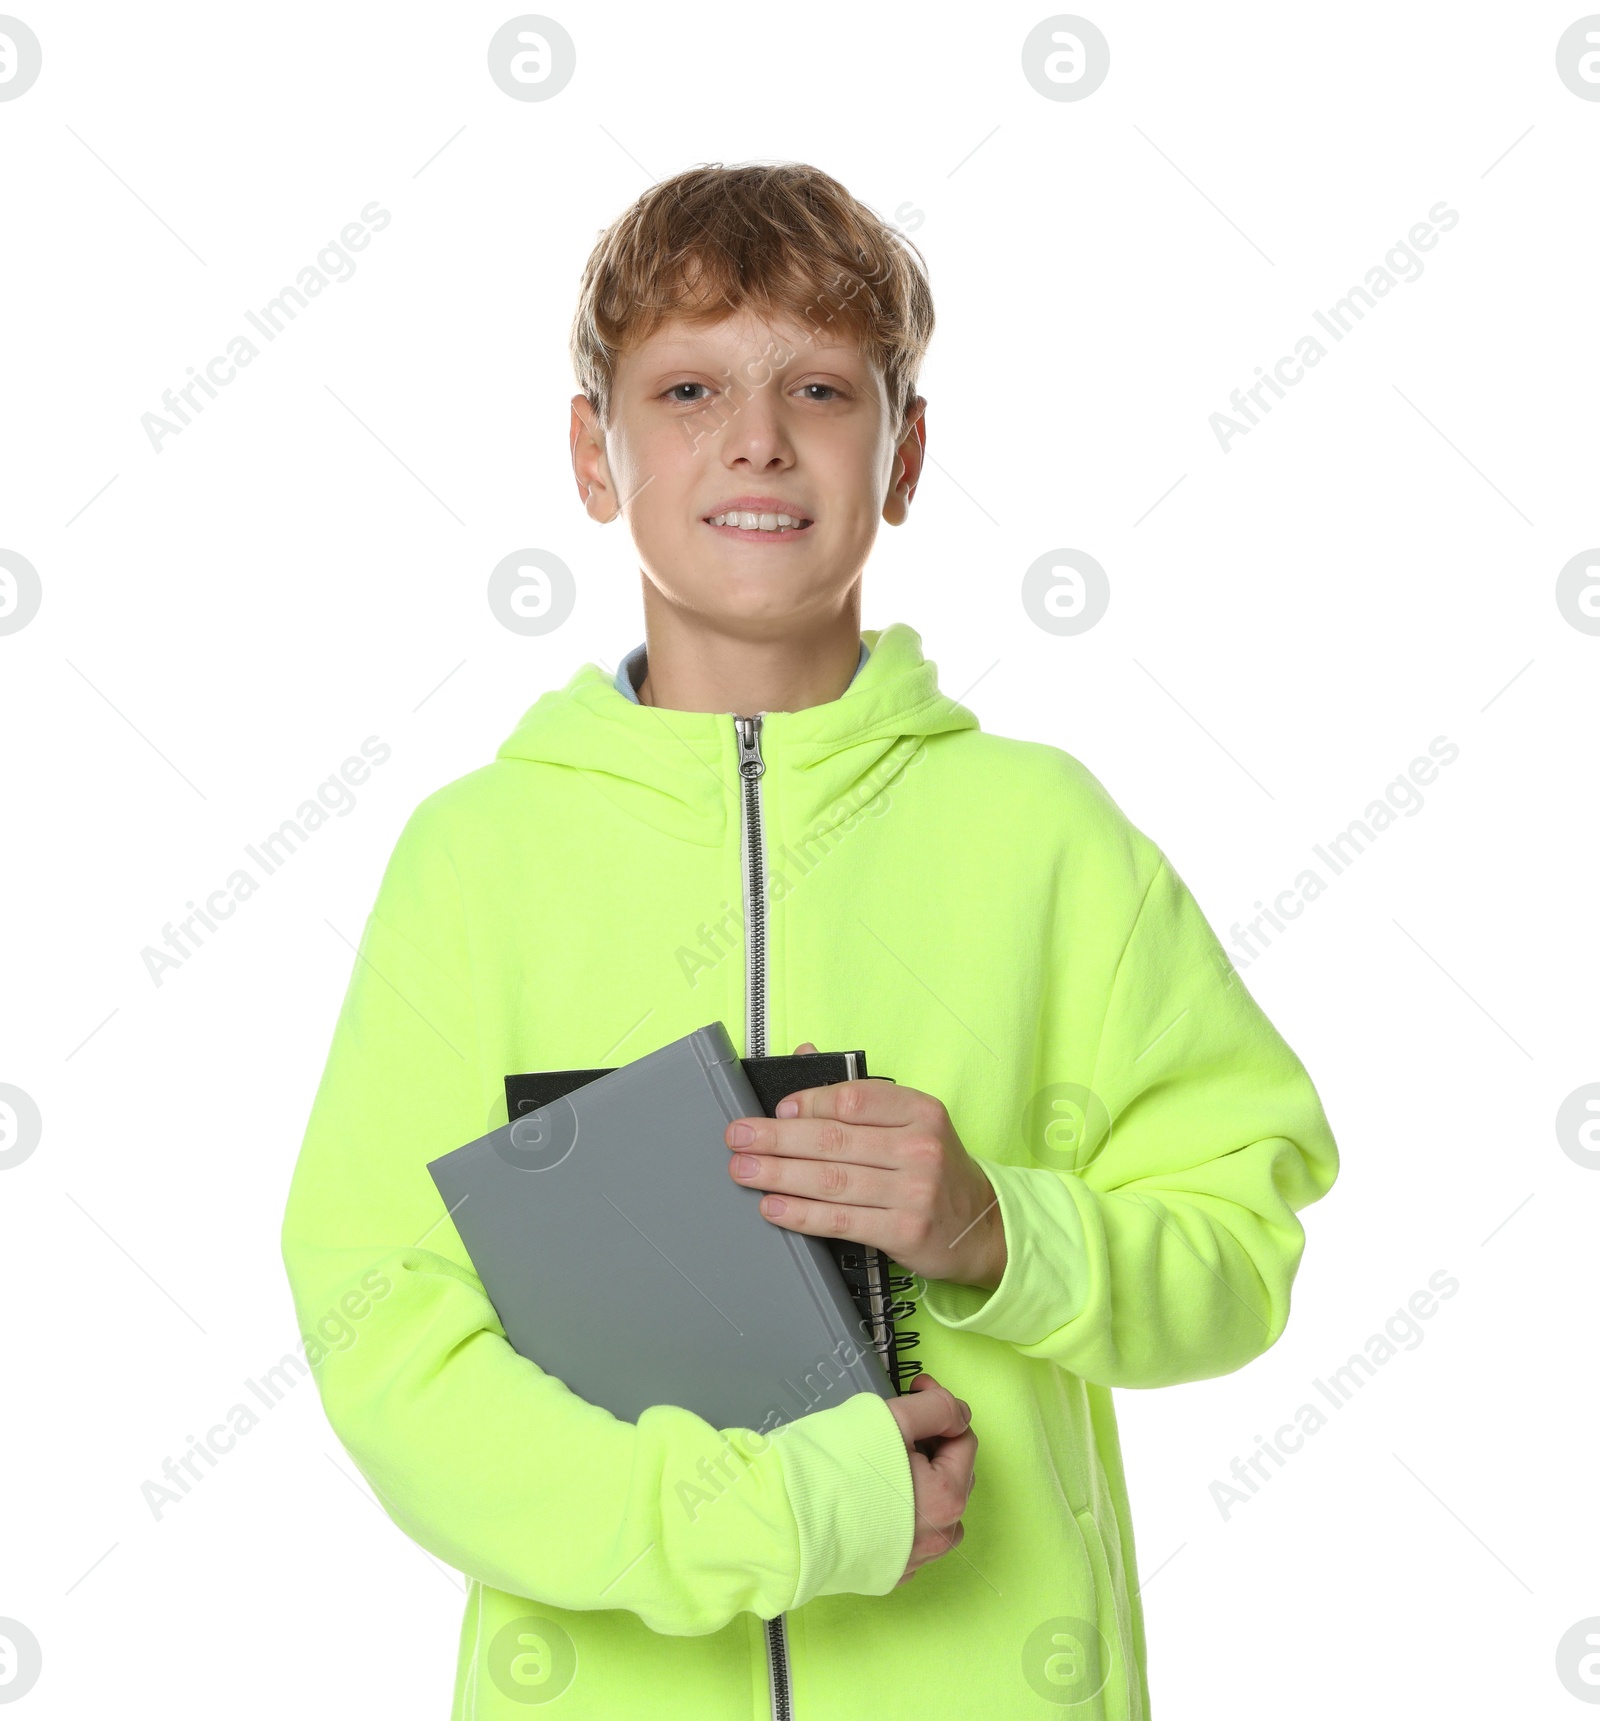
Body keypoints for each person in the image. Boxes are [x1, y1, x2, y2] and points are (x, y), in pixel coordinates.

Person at [280, 160, 1339, 1719]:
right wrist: (782, 1514)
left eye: (824, 387)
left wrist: (1003, 1231)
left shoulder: (1048, 837)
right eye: (691, 384)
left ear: (904, 454)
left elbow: (1243, 1251)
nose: (758, 437)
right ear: (595, 451)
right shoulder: (473, 860)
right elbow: (387, 1341)